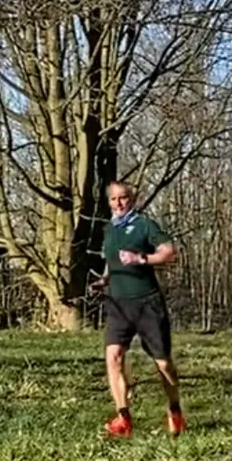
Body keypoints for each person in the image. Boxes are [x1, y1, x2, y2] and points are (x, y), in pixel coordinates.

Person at [89, 181, 185, 438]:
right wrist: (105, 280)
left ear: (132, 199)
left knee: (163, 363)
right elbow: (113, 260)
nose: (119, 203)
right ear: (108, 202)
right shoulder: (109, 230)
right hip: (118, 305)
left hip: (147, 303)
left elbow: (169, 252)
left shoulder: (144, 225)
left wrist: (141, 259)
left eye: (123, 198)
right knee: (113, 358)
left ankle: (175, 410)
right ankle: (123, 419)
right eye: (113, 199)